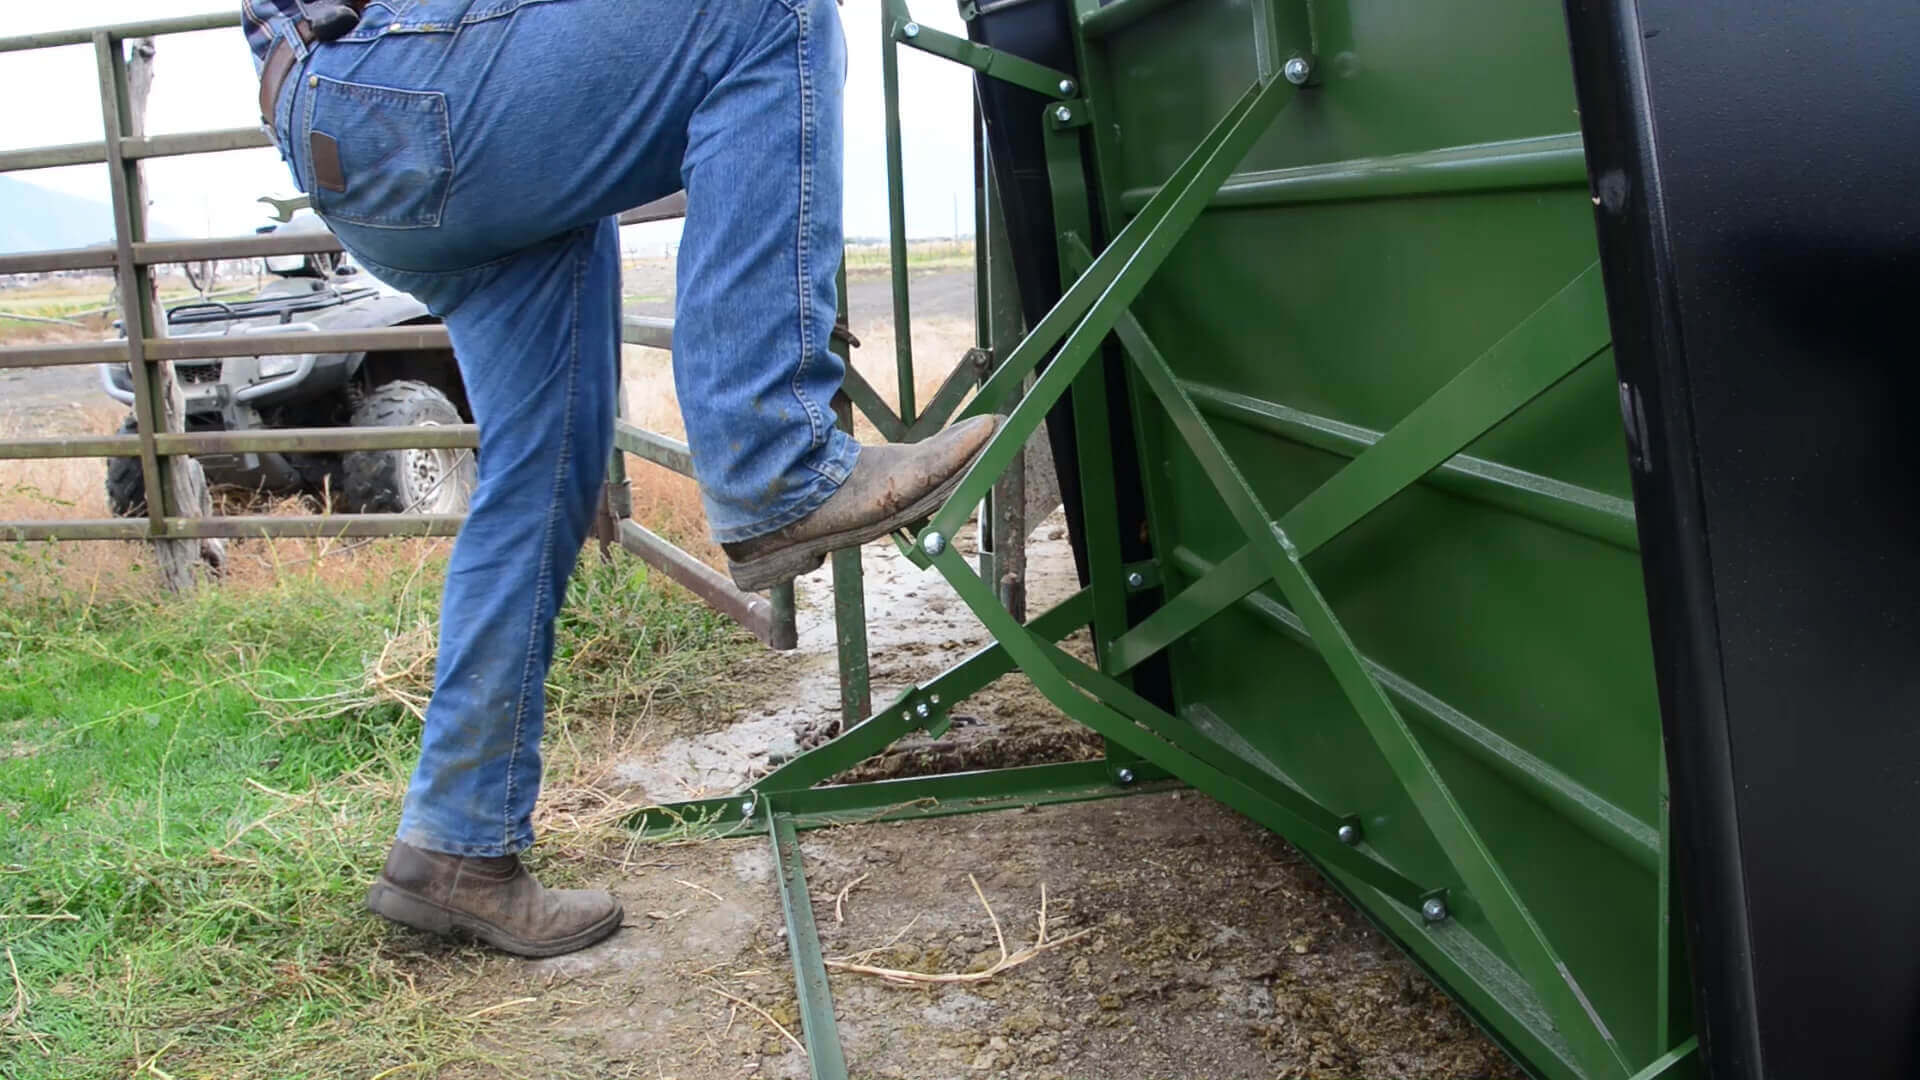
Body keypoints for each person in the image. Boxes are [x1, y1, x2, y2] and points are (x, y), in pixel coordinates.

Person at [243, 0, 999, 958]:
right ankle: (779, 461)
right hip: (397, 77)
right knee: (773, 13)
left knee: (539, 480)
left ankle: (456, 851)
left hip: (379, 121)